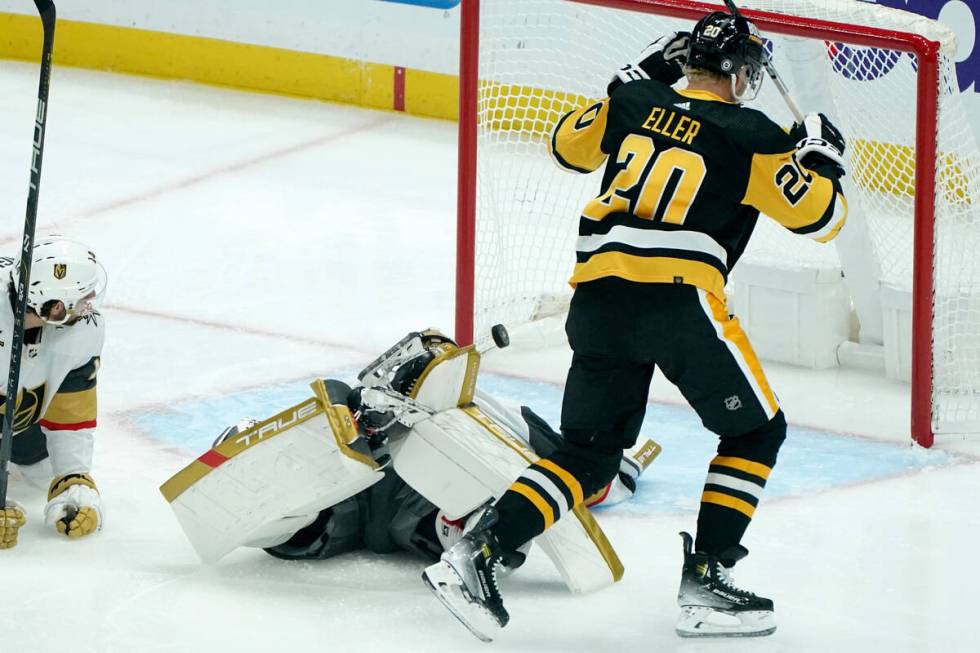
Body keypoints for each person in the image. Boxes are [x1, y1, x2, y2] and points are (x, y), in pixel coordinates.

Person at [424, 10, 847, 641]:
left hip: (597, 300)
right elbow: (821, 220)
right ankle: (707, 579)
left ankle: (476, 555)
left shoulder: (634, 100)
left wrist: (635, 76)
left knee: (588, 459)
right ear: (735, 75)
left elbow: (566, 147)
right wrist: (822, 158)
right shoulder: (753, 132)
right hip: (678, 303)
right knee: (756, 432)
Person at [216, 358, 655, 564]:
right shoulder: (527, 438)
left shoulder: (527, 444)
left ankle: (470, 532)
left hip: (391, 510)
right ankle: (469, 531)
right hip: (386, 504)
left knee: (492, 520)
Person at [0, 236, 107, 549]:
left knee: (39, 466)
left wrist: (72, 478)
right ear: (56, 306)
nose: (91, 303)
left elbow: (70, 412)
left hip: (13, 416)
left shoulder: (83, 331)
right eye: (84, 297)